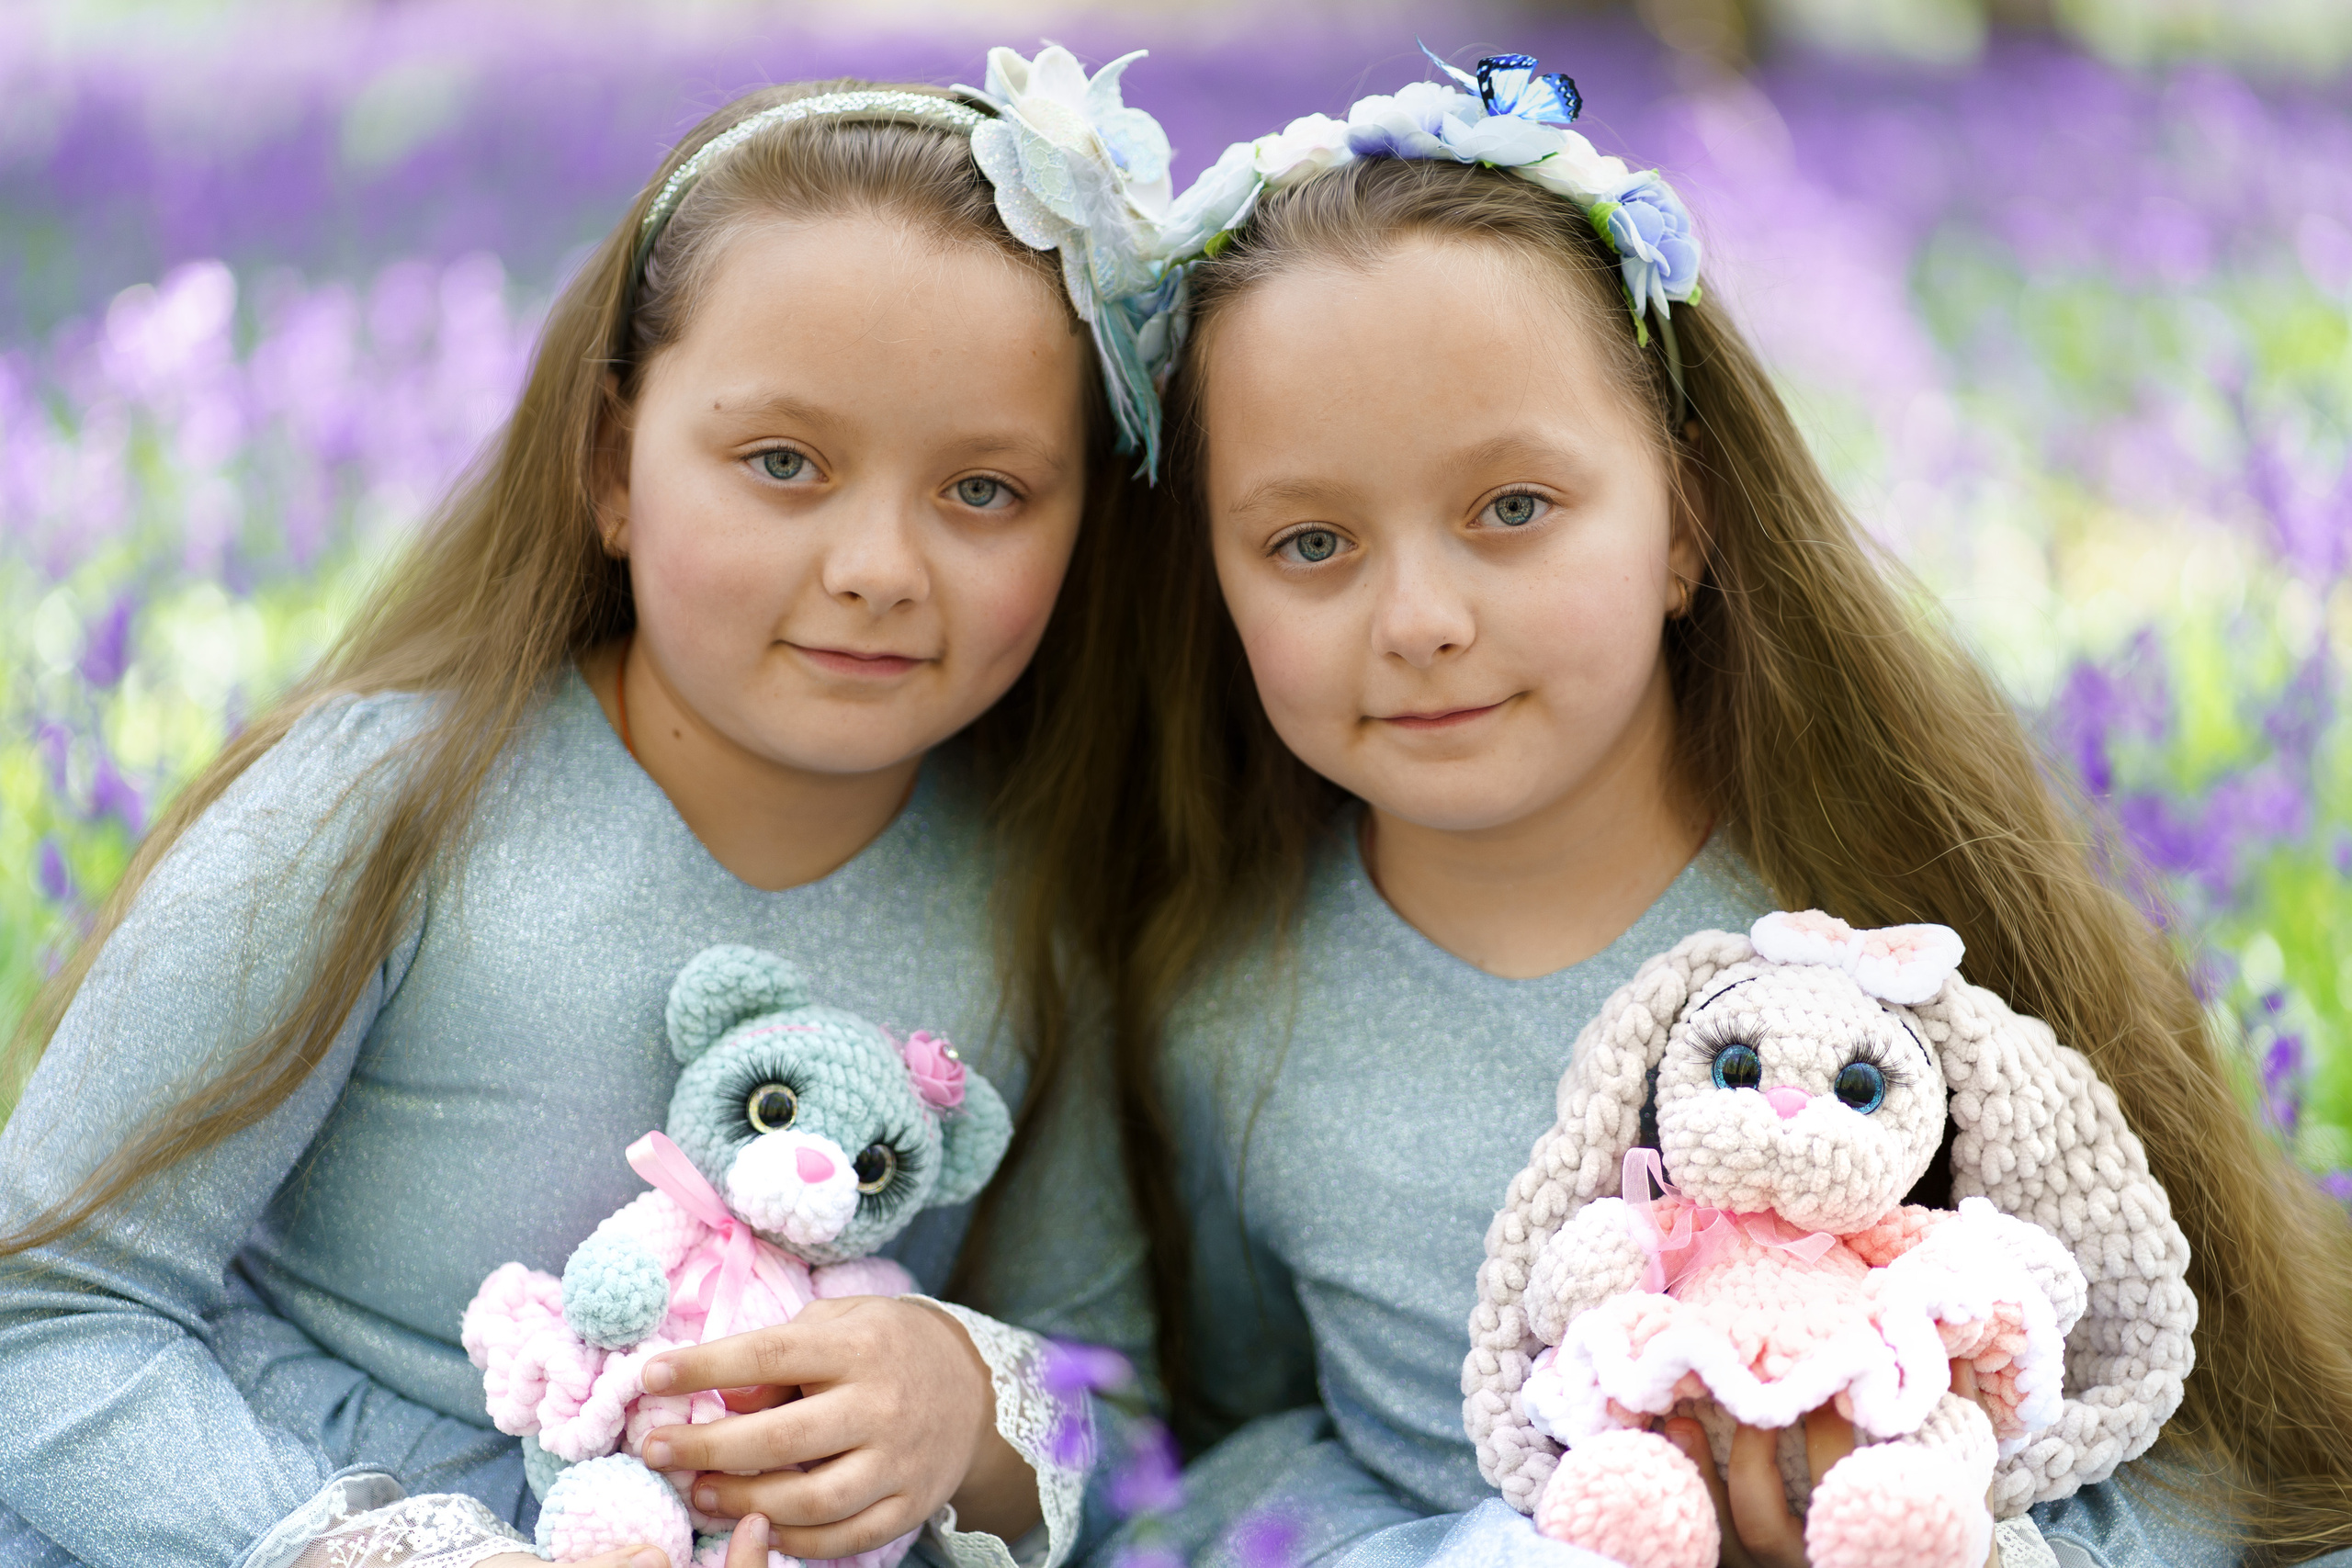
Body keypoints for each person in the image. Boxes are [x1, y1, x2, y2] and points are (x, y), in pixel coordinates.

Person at [1059, 52, 2352, 1568]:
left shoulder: (1900, 909)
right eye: (1310, 542)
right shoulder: (1229, 1013)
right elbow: (1227, 1453)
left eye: (1513, 511)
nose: (1417, 616)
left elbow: (2223, 1426)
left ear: (1688, 522)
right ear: (1212, 584)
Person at [0, 56, 1175, 1568]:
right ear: (615, 464)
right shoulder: (390, 806)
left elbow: (1129, 1419)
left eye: (987, 492)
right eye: (782, 464)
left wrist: (966, 1399)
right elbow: (47, 1310)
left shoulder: (1039, 905)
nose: (881, 563)